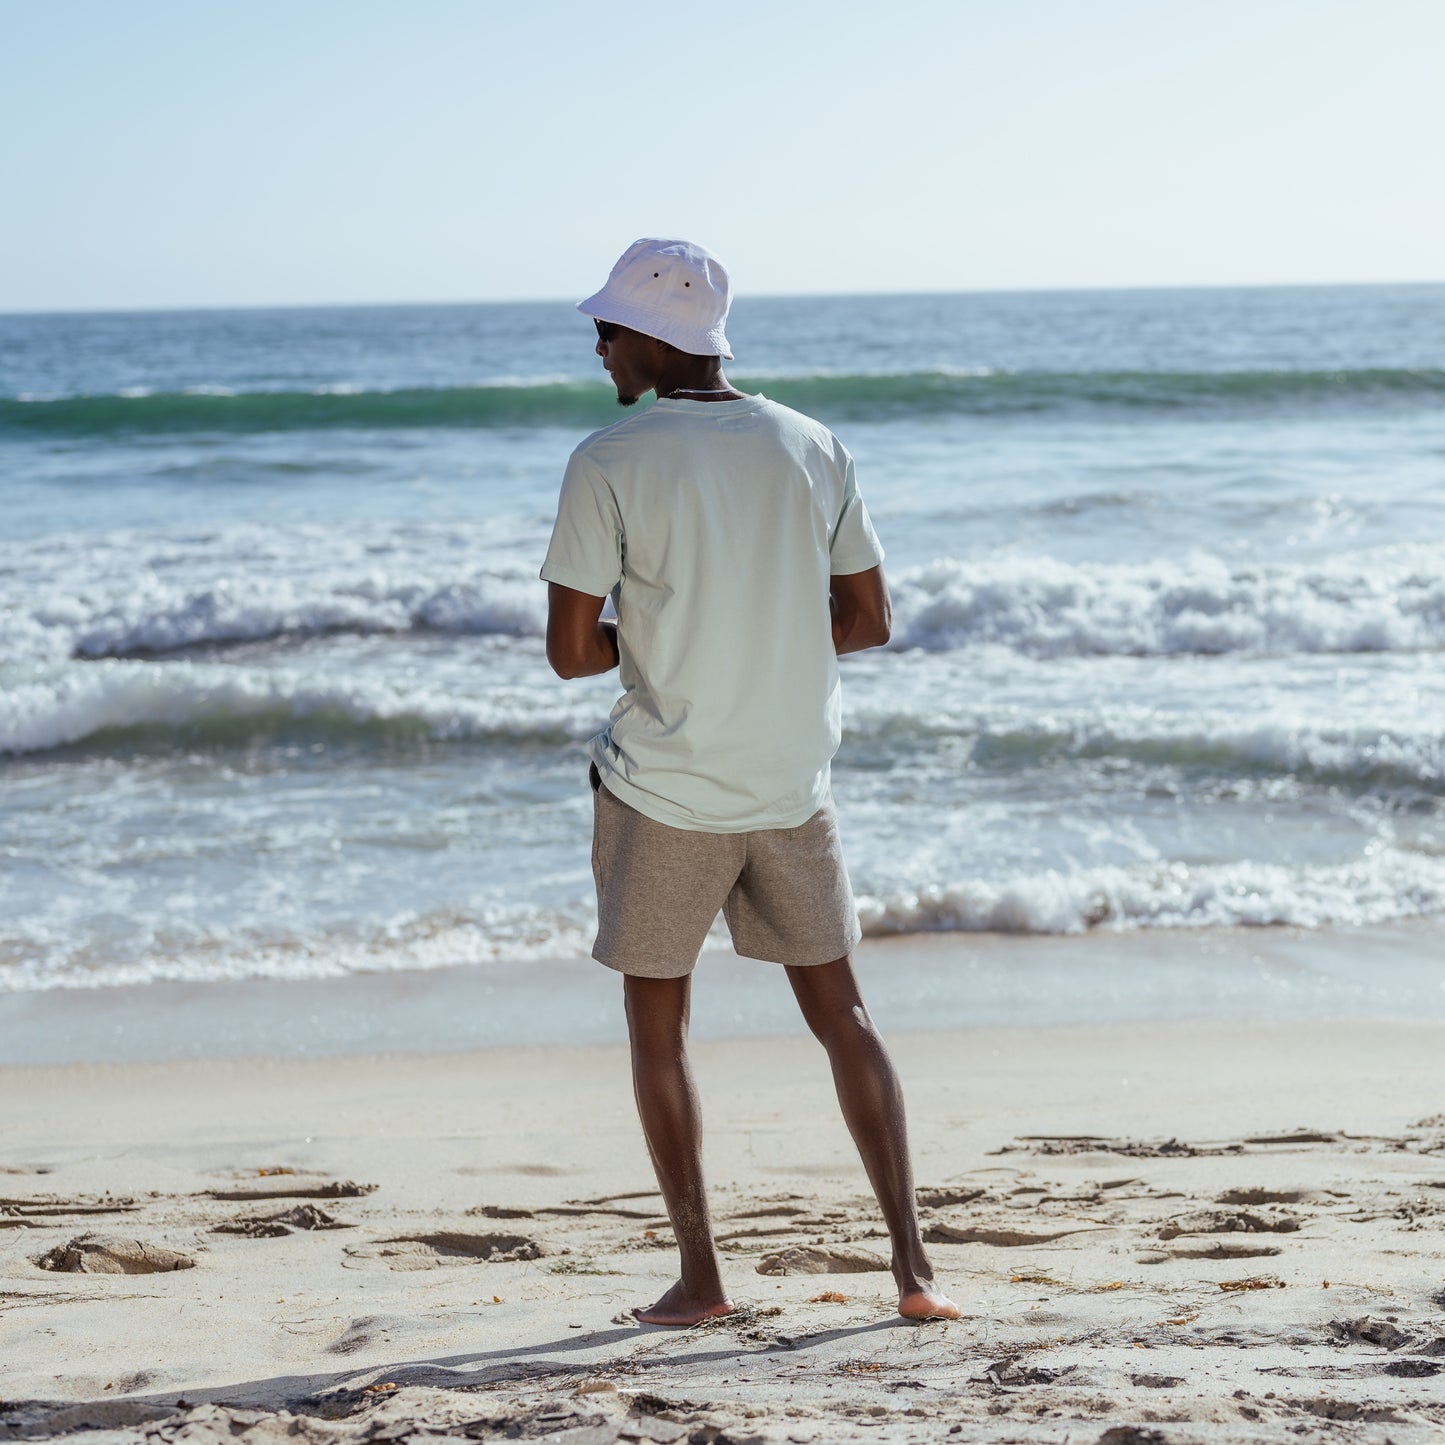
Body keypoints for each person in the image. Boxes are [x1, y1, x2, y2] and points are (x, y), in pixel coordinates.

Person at [540, 238, 959, 1327]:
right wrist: (760, 632)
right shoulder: (810, 443)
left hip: (663, 787)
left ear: (655, 336)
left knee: (657, 1032)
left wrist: (671, 635)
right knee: (844, 1014)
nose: (596, 346)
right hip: (787, 781)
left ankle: (701, 1280)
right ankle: (913, 1271)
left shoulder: (608, 459)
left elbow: (571, 651)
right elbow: (864, 620)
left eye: (608, 328)